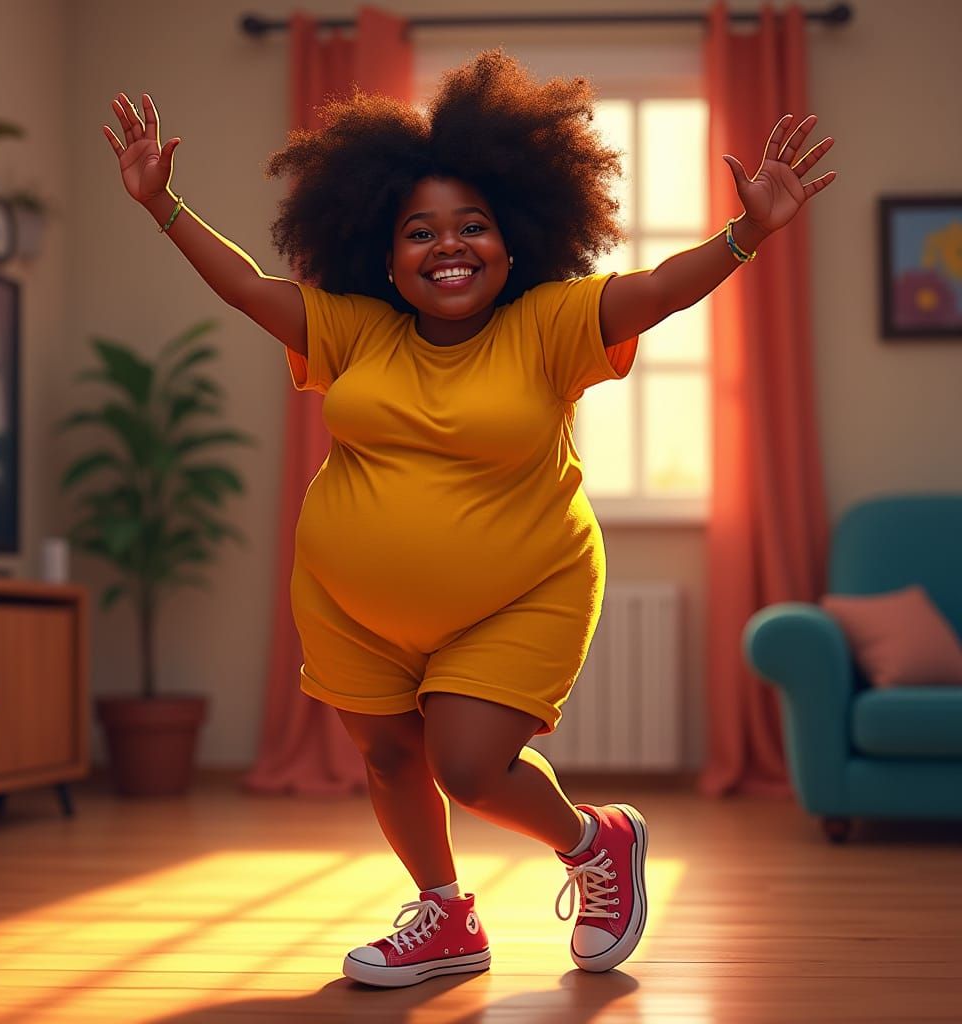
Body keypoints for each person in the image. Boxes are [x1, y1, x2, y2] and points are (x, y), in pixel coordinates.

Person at [103, 47, 835, 990]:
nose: (448, 245)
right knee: (388, 755)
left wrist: (746, 235)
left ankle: (596, 843)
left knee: (469, 766)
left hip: (522, 590)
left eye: (472, 226)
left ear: (515, 239)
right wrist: (163, 207)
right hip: (348, 601)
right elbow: (249, 289)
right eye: (420, 232)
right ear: (386, 256)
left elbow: (656, 290)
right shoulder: (357, 331)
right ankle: (445, 917)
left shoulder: (553, 324)